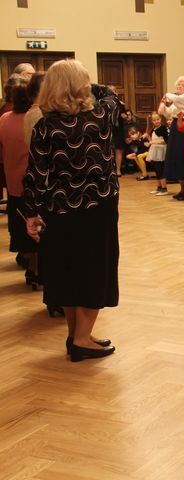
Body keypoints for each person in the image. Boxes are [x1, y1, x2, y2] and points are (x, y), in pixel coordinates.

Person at [22, 59, 119, 362]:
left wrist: (32, 214)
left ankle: (76, 335)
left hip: (59, 209)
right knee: (95, 271)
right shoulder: (101, 115)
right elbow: (111, 95)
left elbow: (35, 175)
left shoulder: (44, 126)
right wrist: (86, 85)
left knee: (69, 271)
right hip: (97, 207)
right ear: (82, 86)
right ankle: (81, 340)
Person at [0, 79, 40, 288]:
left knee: (19, 222)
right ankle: (36, 268)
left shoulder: (4, 119)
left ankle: (26, 258)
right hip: (33, 181)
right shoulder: (36, 118)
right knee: (36, 226)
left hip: (13, 179)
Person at [159, 76, 184, 200]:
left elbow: (175, 98)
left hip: (183, 128)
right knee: (175, 158)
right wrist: (163, 105)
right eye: (178, 84)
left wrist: (166, 95)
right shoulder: (177, 101)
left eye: (182, 85)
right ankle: (183, 189)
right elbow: (168, 113)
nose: (179, 86)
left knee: (182, 158)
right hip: (175, 127)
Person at [144, 112, 169, 195]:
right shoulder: (153, 129)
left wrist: (153, 142)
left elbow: (166, 140)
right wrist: (148, 138)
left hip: (161, 150)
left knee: (161, 169)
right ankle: (159, 187)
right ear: (152, 121)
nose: (156, 121)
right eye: (154, 120)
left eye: (158, 119)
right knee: (157, 169)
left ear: (160, 119)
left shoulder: (163, 128)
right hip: (155, 150)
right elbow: (152, 140)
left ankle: (164, 188)